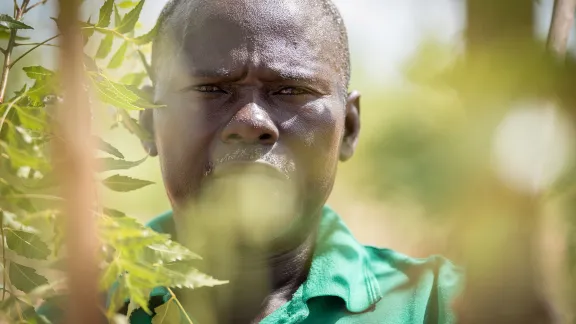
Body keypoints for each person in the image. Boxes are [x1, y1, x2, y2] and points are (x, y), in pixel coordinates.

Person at [62, 0, 462, 323]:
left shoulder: (439, 305)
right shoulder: (77, 311)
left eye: (291, 89)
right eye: (210, 89)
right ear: (148, 123)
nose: (251, 123)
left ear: (350, 127)